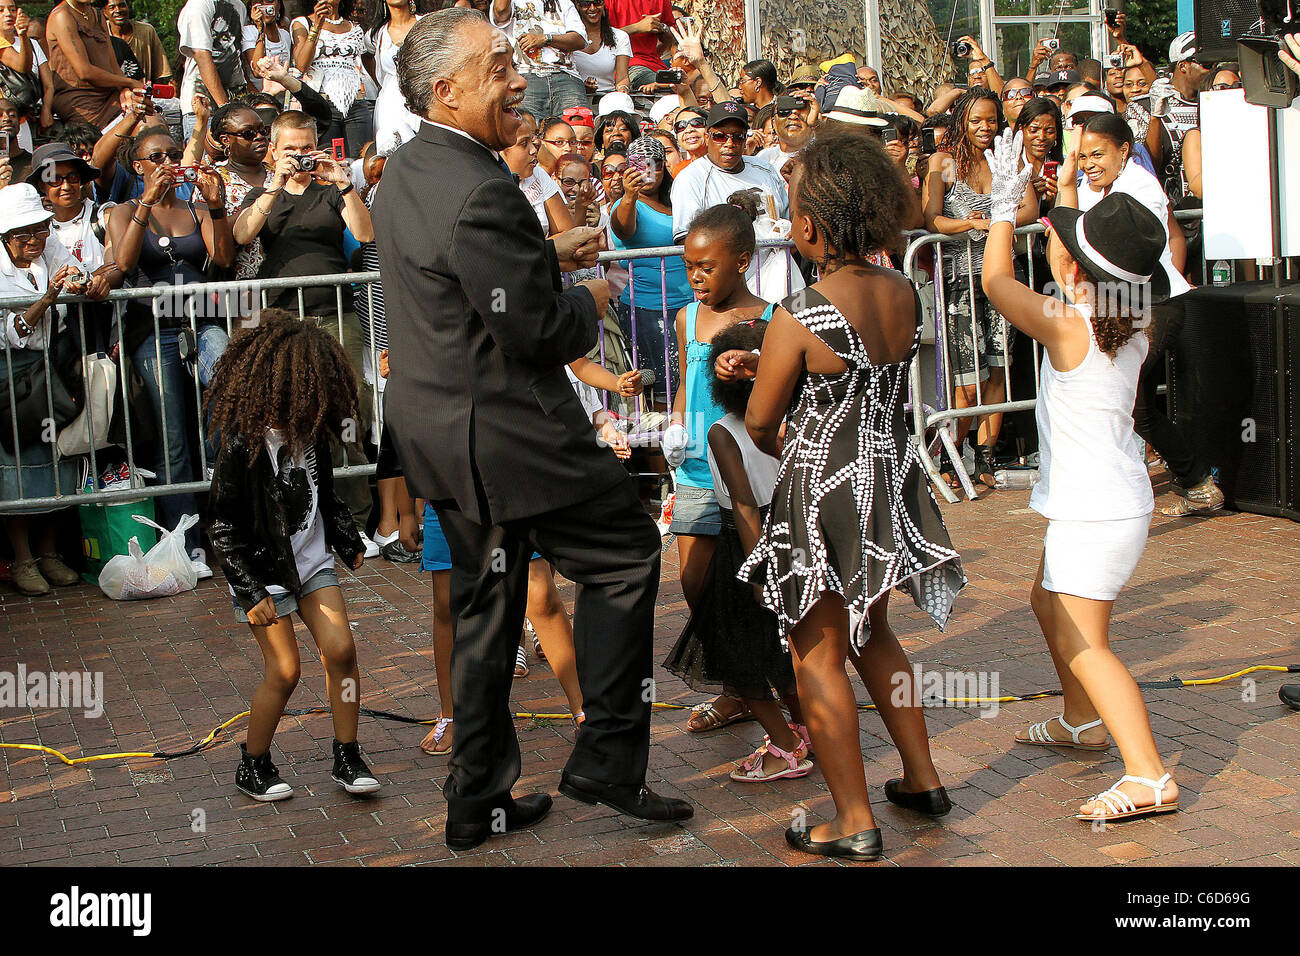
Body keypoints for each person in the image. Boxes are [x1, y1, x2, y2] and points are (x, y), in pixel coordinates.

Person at [372, 7, 690, 849]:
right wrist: (584, 297)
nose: (518, 79)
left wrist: (548, 259)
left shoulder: (407, 169)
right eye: (497, 67)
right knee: (626, 553)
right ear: (445, 89)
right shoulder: (482, 186)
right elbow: (534, 332)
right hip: (510, 436)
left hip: (441, 436)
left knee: (488, 610)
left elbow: (465, 282)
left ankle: (475, 802)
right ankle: (607, 763)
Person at [728, 126, 964, 860]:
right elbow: (866, 378)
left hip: (823, 491)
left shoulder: (801, 312)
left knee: (816, 654)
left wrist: (785, 425)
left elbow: (763, 422)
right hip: (888, 481)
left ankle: (852, 820)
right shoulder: (903, 289)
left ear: (810, 225)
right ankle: (922, 779)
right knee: (875, 634)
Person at [982, 129, 1180, 825]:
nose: (1059, 247)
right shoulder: (1129, 316)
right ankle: (1080, 722)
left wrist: (1005, 207)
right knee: (1045, 601)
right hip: (1101, 501)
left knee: (1089, 645)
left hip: (1098, 510)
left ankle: (1148, 774)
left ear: (1083, 271)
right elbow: (1073, 257)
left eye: (1069, 245)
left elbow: (995, 282)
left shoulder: (1071, 323)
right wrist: (1061, 196)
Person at [205, 312, 381, 801]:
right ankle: (253, 762)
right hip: (262, 571)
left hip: (311, 563)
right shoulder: (242, 443)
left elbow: (324, 497)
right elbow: (220, 524)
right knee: (285, 671)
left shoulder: (313, 431)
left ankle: (347, 755)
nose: (300, 414)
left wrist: (348, 539)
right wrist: (249, 589)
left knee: (342, 652)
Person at [663, 316, 812, 781]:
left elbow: (745, 508)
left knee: (737, 656)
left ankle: (786, 746)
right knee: (787, 655)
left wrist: (759, 574)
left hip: (747, 554)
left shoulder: (724, 433)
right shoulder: (796, 424)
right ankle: (813, 727)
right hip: (795, 542)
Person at [1055, 113, 1217, 516]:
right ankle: (1193, 480)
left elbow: (1084, 240)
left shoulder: (1140, 187)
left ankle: (1190, 481)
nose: (1089, 163)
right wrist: (1066, 178)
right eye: (1083, 156)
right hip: (1128, 306)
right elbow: (1068, 232)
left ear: (1124, 151)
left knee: (1122, 398)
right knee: (1132, 402)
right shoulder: (1094, 187)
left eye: (1097, 154)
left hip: (1158, 305)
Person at [233, 109, 378, 551]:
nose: (298, 156)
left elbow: (365, 233)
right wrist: (273, 185)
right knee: (289, 418)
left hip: (335, 314)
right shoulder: (262, 193)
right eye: (289, 149)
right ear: (273, 151)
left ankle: (354, 519)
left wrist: (343, 182)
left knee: (347, 413)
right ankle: (300, 520)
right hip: (283, 321)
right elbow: (242, 235)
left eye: (305, 147)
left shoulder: (331, 191)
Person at [660, 204, 776, 735]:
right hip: (696, 472)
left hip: (749, 474)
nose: (697, 276)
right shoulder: (687, 317)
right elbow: (686, 379)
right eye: (689, 266)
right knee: (695, 583)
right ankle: (736, 688)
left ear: (743, 262)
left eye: (708, 265)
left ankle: (767, 686)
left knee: (753, 584)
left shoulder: (772, 318)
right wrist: (675, 431)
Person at [106, 126, 234, 565]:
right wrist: (145, 202)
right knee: (173, 439)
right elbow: (121, 265)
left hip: (203, 323)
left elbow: (223, 259)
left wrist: (216, 206)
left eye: (173, 154)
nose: (167, 162)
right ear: (138, 167)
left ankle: (226, 510)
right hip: (152, 331)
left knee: (227, 406)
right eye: (156, 156)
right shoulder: (122, 211)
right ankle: (186, 543)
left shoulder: (196, 209)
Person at [921, 87, 1037, 488]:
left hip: (1004, 276)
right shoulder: (944, 163)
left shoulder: (1006, 158)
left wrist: (999, 221)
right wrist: (970, 225)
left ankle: (985, 459)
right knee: (968, 381)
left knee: (999, 370)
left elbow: (1031, 208)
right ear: (961, 123)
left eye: (991, 119)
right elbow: (932, 219)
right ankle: (952, 455)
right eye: (976, 120)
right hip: (961, 280)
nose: (985, 127)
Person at [0, 182, 104, 596]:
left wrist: (75, 281)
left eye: (40, 231)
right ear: (5, 237)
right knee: (17, 470)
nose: (34, 241)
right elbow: (13, 332)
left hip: (52, 370)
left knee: (55, 460)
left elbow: (74, 270)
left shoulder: (48, 247)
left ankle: (49, 554)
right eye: (23, 235)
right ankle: (22, 558)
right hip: (9, 376)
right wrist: (47, 299)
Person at [611, 134, 688, 408]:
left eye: (655, 162)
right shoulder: (625, 206)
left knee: (689, 383)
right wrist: (629, 196)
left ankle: (688, 442)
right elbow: (623, 229)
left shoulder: (677, 199)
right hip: (649, 310)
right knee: (662, 390)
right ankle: (662, 448)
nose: (648, 170)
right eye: (640, 163)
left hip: (688, 307)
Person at [670, 101, 785, 244]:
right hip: (726, 265)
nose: (730, 143)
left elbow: (787, 222)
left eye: (738, 136)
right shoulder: (690, 178)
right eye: (720, 136)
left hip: (776, 263)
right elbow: (685, 241)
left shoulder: (766, 169)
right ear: (707, 136)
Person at [291, 0, 377, 158]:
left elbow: (367, 61)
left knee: (361, 160)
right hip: (323, 105)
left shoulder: (354, 27)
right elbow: (301, 64)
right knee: (328, 161)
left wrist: (379, 85)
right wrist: (316, 26)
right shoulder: (302, 23)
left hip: (356, 103)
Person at [46, 0, 140, 128]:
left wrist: (124, 90)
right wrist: (129, 82)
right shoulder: (62, 16)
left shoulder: (97, 14)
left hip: (110, 91)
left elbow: (113, 63)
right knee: (118, 132)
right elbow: (84, 72)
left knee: (146, 116)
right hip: (78, 97)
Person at [489, 0, 587, 119]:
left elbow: (580, 40)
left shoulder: (564, 3)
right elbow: (501, 12)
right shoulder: (512, 3)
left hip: (566, 77)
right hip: (525, 76)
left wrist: (546, 39)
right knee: (528, 131)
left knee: (579, 128)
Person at [177, 0, 250, 136]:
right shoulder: (199, 4)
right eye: (216, 36)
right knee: (203, 157)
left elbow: (241, 54)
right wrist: (225, 108)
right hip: (202, 109)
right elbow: (201, 54)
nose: (221, 42)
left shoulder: (239, 6)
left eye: (224, 37)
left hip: (237, 107)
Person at [0, 0, 56, 141]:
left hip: (24, 118)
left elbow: (48, 85)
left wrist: (46, 110)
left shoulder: (33, 44)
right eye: (0, 10)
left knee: (25, 159)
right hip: (4, 121)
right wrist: (23, 35)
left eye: (12, 10)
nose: (8, 14)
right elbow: (23, 67)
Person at [602, 0, 673, 91]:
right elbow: (598, 38)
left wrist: (662, 27)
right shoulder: (603, 3)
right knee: (666, 86)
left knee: (683, 83)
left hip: (655, 65)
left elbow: (670, 40)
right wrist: (637, 27)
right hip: (623, 66)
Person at [571, 0, 630, 95]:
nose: (592, 8)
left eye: (597, 2)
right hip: (573, 97)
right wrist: (582, 87)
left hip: (607, 97)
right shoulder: (567, 37)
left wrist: (622, 88)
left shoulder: (620, 36)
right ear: (577, 5)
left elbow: (622, 77)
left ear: (603, 4)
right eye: (586, 4)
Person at [105, 0, 169, 84]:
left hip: (142, 91)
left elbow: (160, 73)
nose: (118, 10)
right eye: (112, 7)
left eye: (122, 5)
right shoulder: (100, 33)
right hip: (112, 93)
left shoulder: (146, 31)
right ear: (105, 12)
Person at [368, 0, 420, 91]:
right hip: (388, 100)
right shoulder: (377, 33)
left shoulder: (426, 23)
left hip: (422, 97)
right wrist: (380, 85)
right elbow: (367, 56)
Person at [243, 0, 293, 91]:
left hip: (283, 96)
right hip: (262, 96)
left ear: (279, 5)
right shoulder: (249, 32)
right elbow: (257, 71)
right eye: (259, 3)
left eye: (269, 1)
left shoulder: (285, 35)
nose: (264, 7)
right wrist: (261, 29)